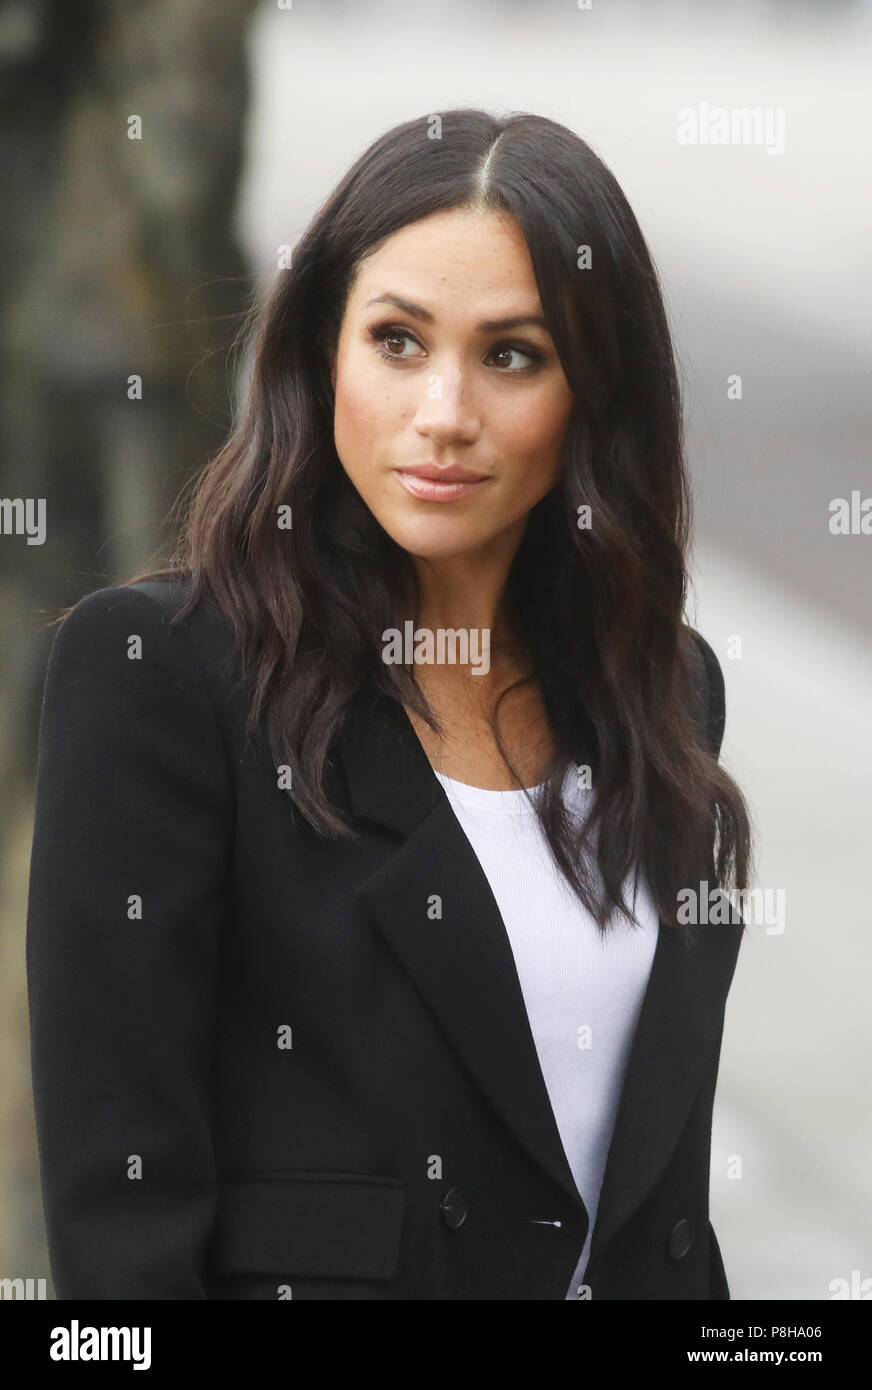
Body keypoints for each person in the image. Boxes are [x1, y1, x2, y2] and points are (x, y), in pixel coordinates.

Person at [26, 108, 753, 1300]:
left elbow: (652, 1204)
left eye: (511, 353)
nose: (444, 414)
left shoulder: (663, 685)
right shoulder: (163, 674)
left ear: (592, 392)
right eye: (398, 340)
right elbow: (122, 1234)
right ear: (323, 352)